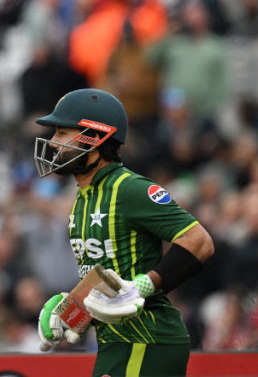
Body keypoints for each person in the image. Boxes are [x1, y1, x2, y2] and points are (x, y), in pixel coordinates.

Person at [34, 89, 214, 377]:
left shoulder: (130, 188)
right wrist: (73, 309)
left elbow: (199, 242)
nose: (53, 143)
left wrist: (143, 286)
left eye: (61, 133)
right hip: (119, 341)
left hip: (145, 337)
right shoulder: (83, 198)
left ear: (93, 137)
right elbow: (110, 282)